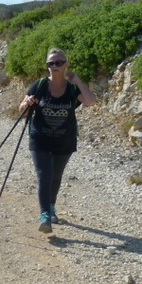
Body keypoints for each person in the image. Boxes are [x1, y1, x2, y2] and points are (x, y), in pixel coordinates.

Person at [18, 48, 97, 233]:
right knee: (43, 174)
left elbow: (91, 101)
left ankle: (52, 207)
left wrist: (77, 80)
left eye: (59, 62)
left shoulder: (71, 88)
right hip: (40, 138)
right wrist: (27, 103)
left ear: (66, 64)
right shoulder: (39, 86)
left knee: (56, 176)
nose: (55, 66)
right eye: (51, 63)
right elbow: (22, 109)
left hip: (65, 139)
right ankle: (45, 215)